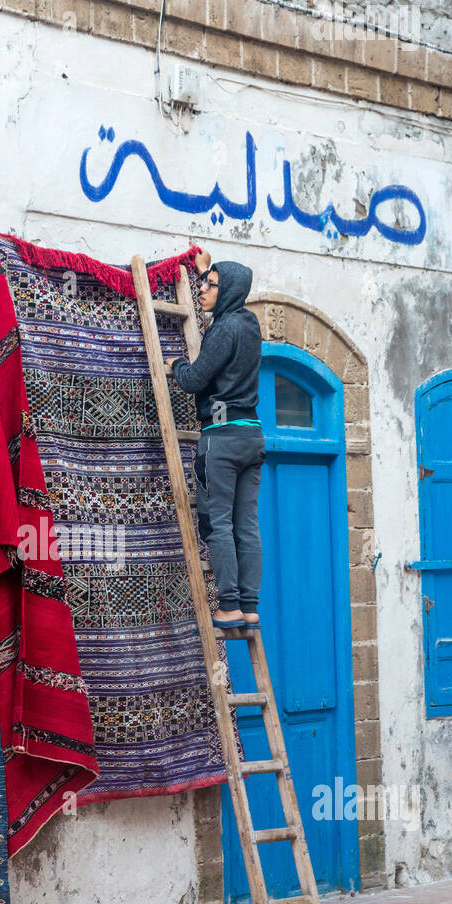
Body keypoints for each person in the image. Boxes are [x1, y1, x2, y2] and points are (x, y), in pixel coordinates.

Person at [166, 259, 264, 629]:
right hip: (250, 436)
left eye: (211, 285)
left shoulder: (224, 330)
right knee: (246, 525)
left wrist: (177, 364)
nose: (202, 289)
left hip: (221, 438)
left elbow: (193, 380)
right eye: (203, 283)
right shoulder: (249, 325)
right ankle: (249, 606)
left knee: (217, 523)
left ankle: (228, 605)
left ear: (230, 292)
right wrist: (207, 266)